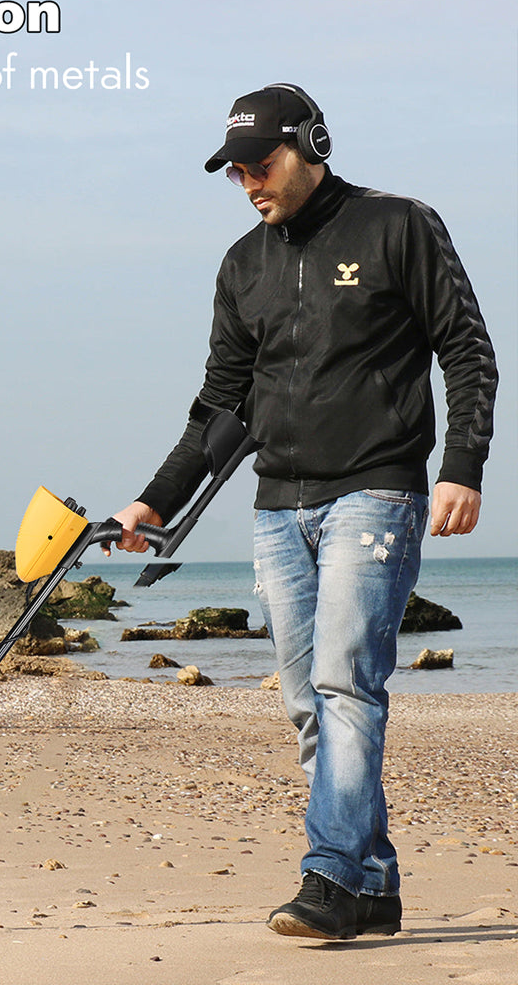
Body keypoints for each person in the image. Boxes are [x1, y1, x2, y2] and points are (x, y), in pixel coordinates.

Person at [107, 84, 497, 940]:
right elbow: (219, 409)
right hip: (279, 506)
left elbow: (467, 348)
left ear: (313, 144)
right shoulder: (242, 265)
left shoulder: (400, 225)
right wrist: (153, 501)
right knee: (306, 701)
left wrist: (461, 465)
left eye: (264, 162)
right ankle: (373, 884)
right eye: (236, 171)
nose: (250, 182)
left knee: (344, 683)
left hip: (378, 489)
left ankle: (328, 876)